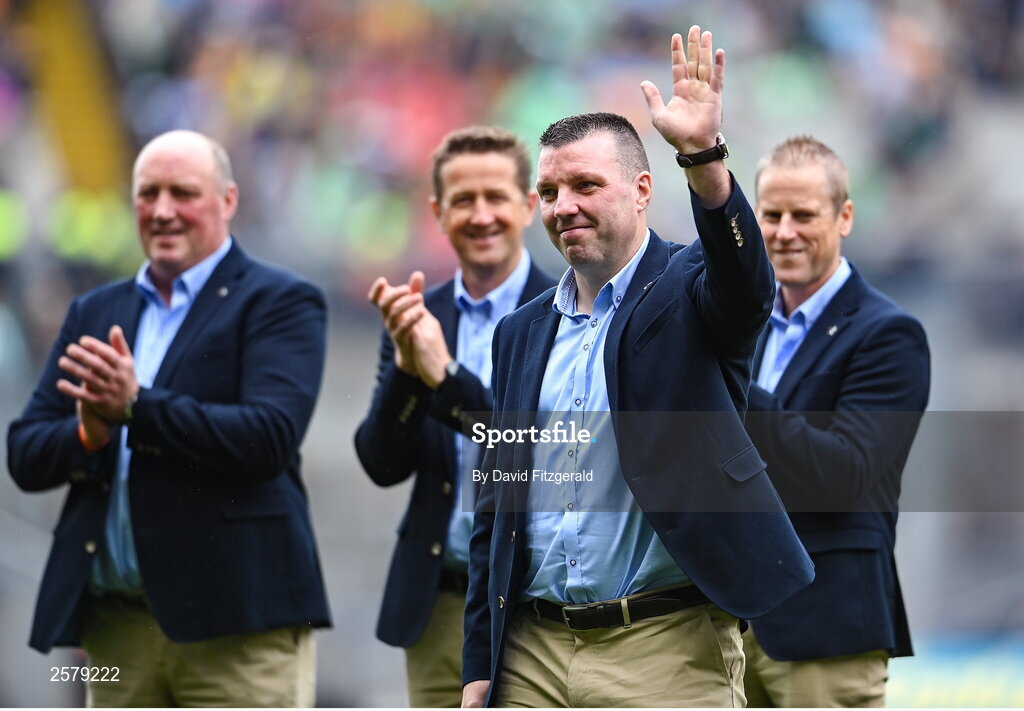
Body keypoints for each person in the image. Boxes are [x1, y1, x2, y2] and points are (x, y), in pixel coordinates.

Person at [460, 27, 814, 708]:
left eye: (586, 184)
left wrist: (705, 160)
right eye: (550, 191)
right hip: (529, 652)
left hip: (663, 645)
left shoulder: (688, 284)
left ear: (643, 188)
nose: (564, 206)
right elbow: (495, 507)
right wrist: (481, 661)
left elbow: (746, 289)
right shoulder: (519, 333)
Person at [6, 130, 331, 707]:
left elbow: (268, 439)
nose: (161, 210)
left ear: (227, 200)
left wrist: (137, 406)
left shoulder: (279, 301)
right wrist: (90, 431)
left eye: (182, 192)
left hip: (238, 630)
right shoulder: (95, 310)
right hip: (115, 635)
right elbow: (26, 453)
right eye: (147, 193)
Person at [355, 126, 555, 707]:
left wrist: (444, 378)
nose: (481, 214)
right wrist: (405, 372)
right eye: (464, 200)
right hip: (442, 601)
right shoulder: (420, 314)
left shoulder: (569, 305)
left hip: (535, 597)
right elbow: (381, 463)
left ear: (527, 204)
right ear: (438, 213)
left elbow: (542, 445)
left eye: (496, 197)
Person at [741, 136, 931, 707]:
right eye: (771, 215)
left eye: (804, 214)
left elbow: (844, 474)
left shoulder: (888, 336)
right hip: (723, 626)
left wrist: (730, 387)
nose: (785, 231)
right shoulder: (739, 325)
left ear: (845, 216)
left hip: (826, 631)